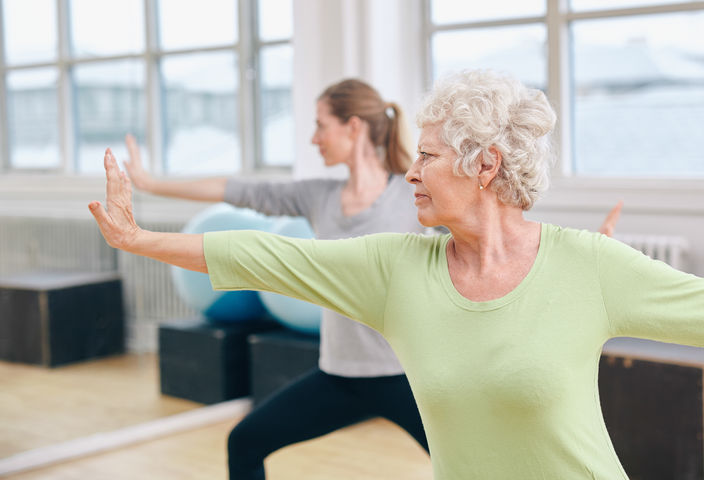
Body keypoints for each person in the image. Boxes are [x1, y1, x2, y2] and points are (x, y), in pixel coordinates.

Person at [89, 69, 704, 479]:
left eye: (426, 157)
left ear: (484, 163)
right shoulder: (395, 270)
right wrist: (141, 237)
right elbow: (270, 256)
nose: (412, 174)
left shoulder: (583, 266)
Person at [121, 77, 622, 478]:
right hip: (338, 372)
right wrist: (149, 183)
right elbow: (238, 191)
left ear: (353, 127)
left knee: (479, 463)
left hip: (409, 377)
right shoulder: (316, 196)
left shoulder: (416, 194)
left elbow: (493, 229)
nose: (314, 138)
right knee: (245, 440)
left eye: (321, 125)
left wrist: (584, 256)